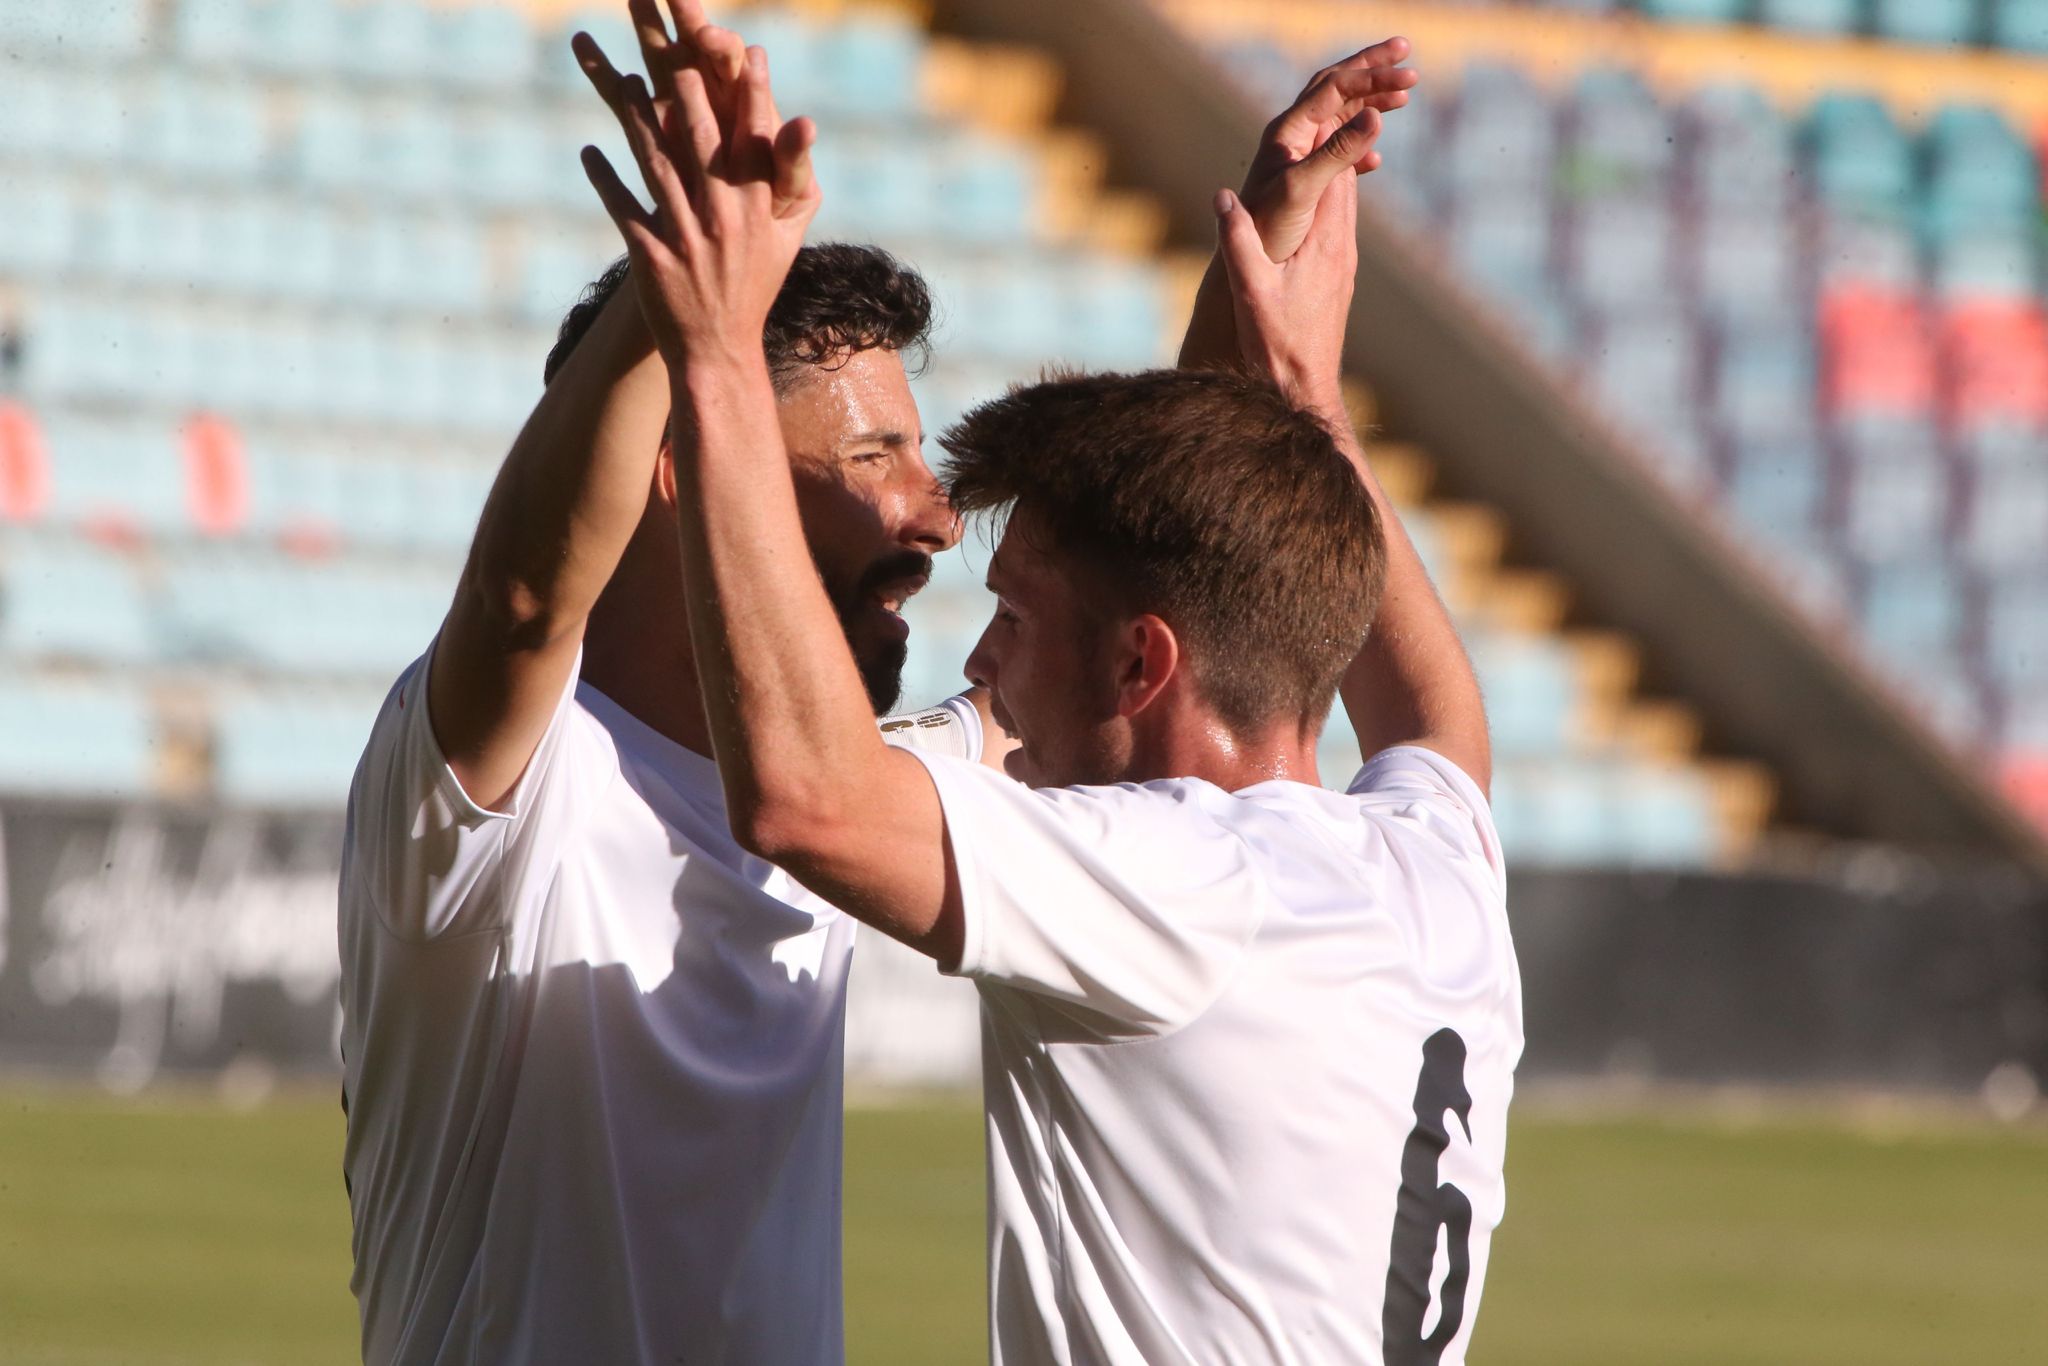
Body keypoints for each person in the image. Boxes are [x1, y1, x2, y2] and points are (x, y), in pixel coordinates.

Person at [338, 0, 1420, 1359]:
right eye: (872, 462)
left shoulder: (860, 781)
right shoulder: (500, 791)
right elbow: (522, 595)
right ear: (692, 464)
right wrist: (679, 311)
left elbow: (1164, 595)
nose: (932, 513)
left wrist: (1250, 307)